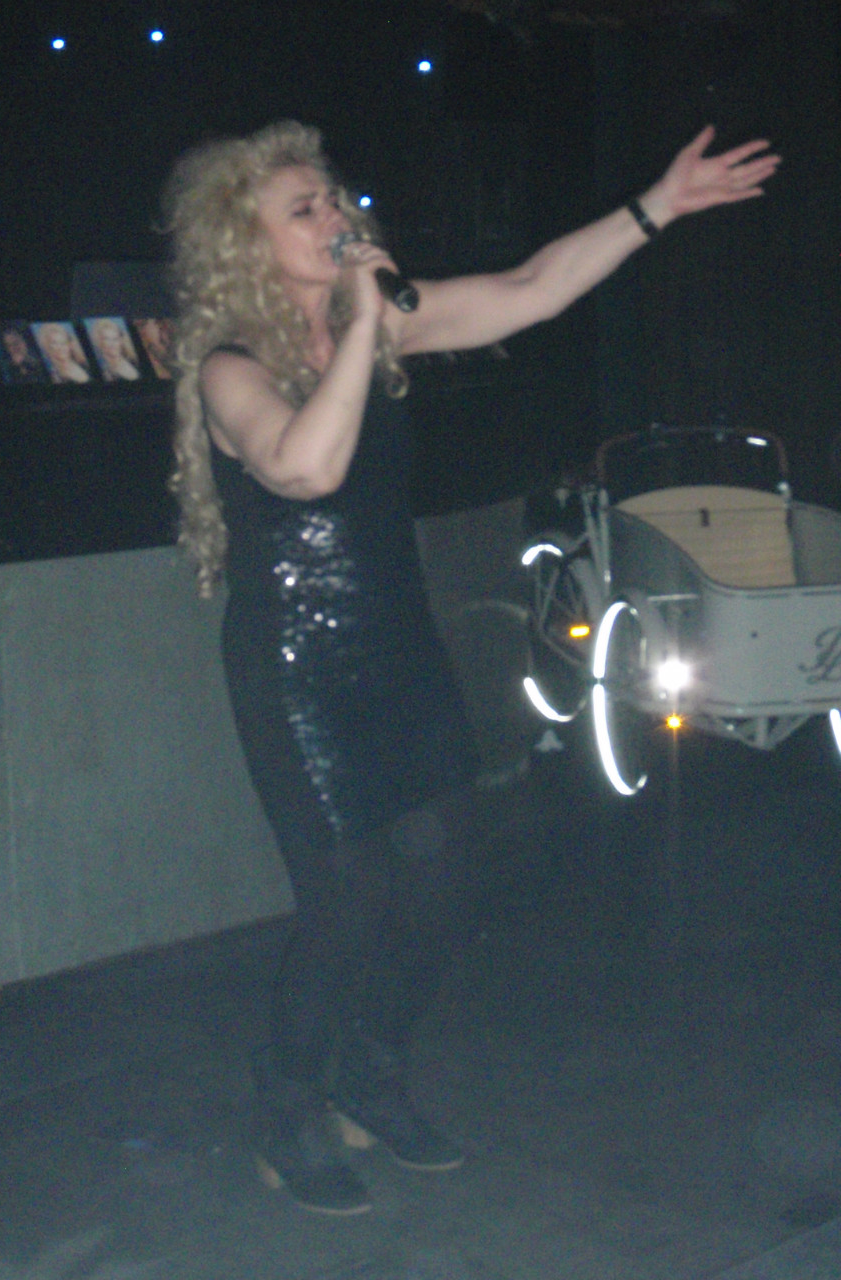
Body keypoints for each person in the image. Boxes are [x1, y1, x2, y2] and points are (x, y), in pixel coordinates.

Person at [164, 120, 779, 1215]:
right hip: (298, 660)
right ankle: (288, 1104)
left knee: (447, 880)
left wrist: (659, 206)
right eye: (305, 208)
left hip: (395, 641)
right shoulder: (230, 367)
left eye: (333, 196)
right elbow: (306, 468)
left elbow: (534, 288)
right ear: (244, 243)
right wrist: (365, 323)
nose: (336, 215)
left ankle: (371, 1073)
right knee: (348, 900)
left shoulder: (382, 325)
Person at [88, 317, 141, 381]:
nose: (112, 344)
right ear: (99, 342)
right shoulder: (103, 374)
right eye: (107, 339)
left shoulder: (135, 362)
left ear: (121, 341)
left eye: (115, 339)